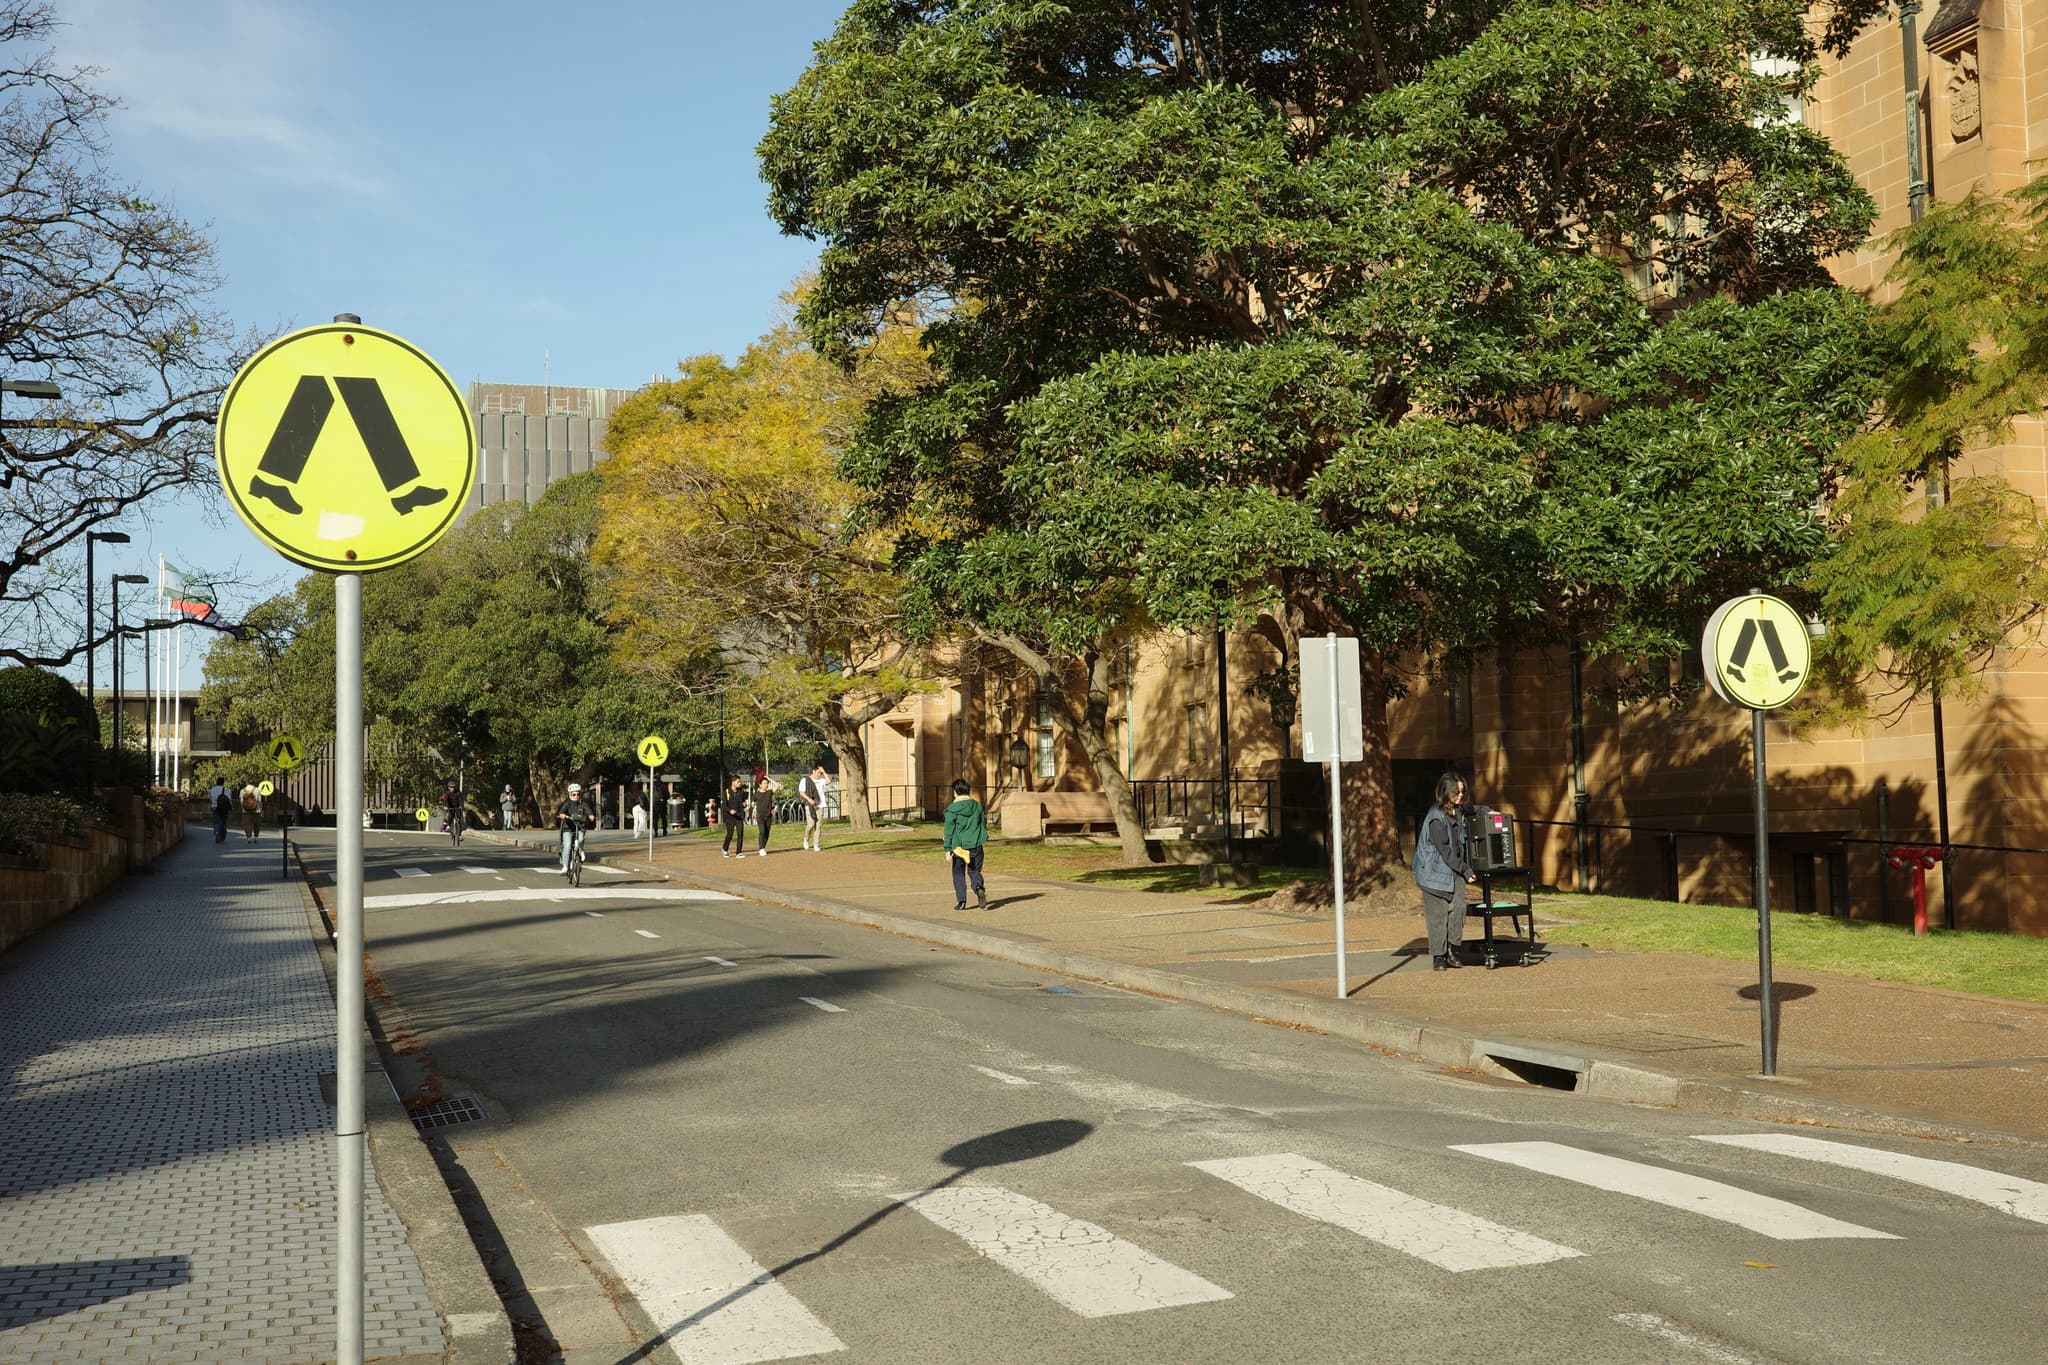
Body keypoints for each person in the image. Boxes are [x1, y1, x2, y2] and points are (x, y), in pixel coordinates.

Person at [1412, 770, 1475, 971]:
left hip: (1453, 869)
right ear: (1445, 793)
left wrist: (1489, 812)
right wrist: (1465, 869)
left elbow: (1476, 809)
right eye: (1456, 792)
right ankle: (1438, 956)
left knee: (1459, 908)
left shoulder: (1460, 810)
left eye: (1462, 792)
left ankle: (1453, 948)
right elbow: (1445, 851)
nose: (1460, 796)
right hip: (1432, 872)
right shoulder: (1436, 819)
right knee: (1437, 915)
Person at [942, 778, 988, 911]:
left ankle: (961, 901)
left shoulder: (952, 810)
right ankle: (978, 887)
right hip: (975, 844)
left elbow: (949, 830)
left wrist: (947, 849)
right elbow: (982, 824)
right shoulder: (977, 806)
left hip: (959, 846)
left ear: (955, 792)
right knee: (974, 871)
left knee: (958, 873)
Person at [555, 781, 594, 874]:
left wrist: (591, 815)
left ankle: (580, 850)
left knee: (580, 840)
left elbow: (588, 811)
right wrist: (562, 815)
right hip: (568, 828)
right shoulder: (567, 803)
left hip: (580, 827)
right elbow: (562, 811)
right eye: (574, 794)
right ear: (570, 794)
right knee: (567, 846)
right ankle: (565, 866)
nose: (576, 796)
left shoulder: (583, 803)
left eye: (578, 794)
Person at [797, 762, 828, 851]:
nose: (819, 774)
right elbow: (801, 792)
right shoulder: (805, 780)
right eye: (818, 772)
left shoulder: (821, 780)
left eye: (820, 773)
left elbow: (829, 781)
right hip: (809, 805)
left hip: (820, 805)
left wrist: (824, 771)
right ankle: (806, 840)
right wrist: (809, 799)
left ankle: (816, 844)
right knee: (811, 824)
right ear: (813, 771)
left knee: (818, 825)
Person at [720, 776, 751, 858]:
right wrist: (730, 810)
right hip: (729, 817)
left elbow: (743, 802)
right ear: (733, 782)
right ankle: (725, 849)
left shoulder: (741, 791)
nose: (740, 783)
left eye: (740, 782)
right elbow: (724, 805)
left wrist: (744, 804)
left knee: (740, 834)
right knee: (730, 834)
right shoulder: (727, 792)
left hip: (739, 815)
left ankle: (739, 852)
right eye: (738, 782)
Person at [752, 775, 778, 856]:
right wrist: (754, 805)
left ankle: (763, 847)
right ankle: (761, 848)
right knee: (762, 831)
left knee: (767, 833)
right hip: (760, 816)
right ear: (760, 785)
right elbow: (753, 803)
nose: (766, 785)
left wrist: (769, 778)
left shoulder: (769, 792)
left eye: (767, 783)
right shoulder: (756, 794)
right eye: (764, 783)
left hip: (768, 816)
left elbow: (777, 785)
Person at [209, 778, 231, 844]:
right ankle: (222, 836)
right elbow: (229, 799)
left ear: (216, 782)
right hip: (224, 808)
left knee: (216, 821)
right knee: (223, 822)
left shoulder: (213, 790)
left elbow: (211, 798)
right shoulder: (227, 789)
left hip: (215, 807)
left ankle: (217, 832)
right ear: (223, 782)